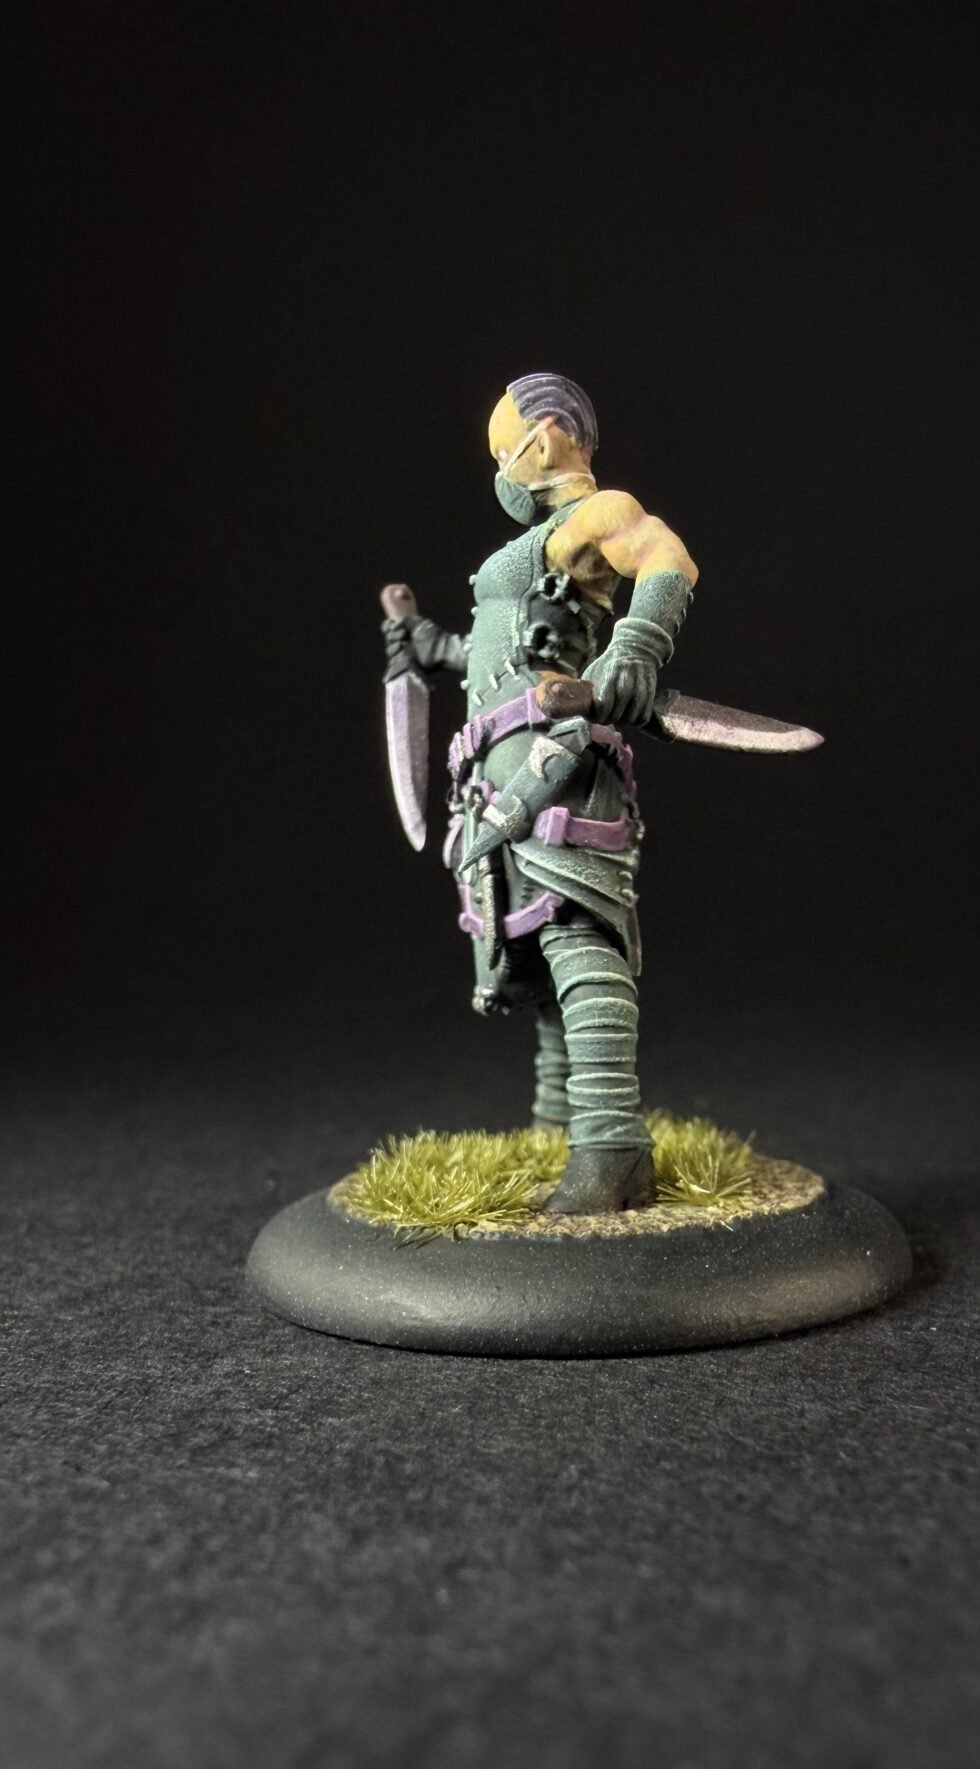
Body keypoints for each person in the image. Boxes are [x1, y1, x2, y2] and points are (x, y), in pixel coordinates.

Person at [383, 373, 698, 1213]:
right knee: (528, 949)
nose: (502, 469)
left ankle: (610, 1147)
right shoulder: (535, 554)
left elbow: (664, 555)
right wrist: (431, 647)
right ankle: (558, 1124)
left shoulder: (593, 514)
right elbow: (509, 655)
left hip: (556, 766)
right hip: (498, 773)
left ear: (550, 435)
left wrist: (637, 644)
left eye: (505, 451)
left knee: (575, 937)